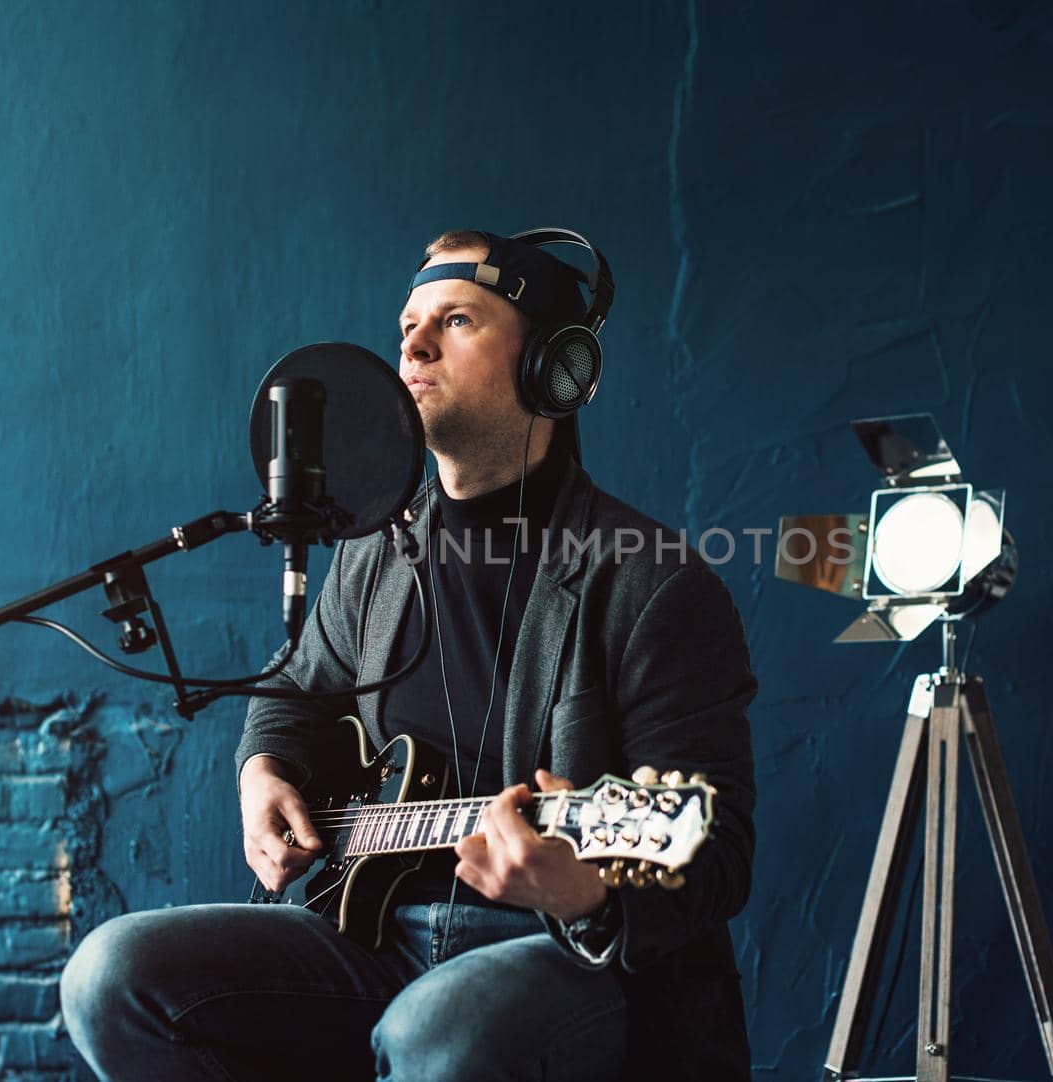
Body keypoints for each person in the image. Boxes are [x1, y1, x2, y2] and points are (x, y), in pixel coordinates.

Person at [59, 228, 758, 1081]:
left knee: (439, 1031)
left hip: (564, 957)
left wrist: (585, 889)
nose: (414, 348)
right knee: (113, 976)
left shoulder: (654, 584)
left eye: (457, 321)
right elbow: (296, 690)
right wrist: (261, 772)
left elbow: (713, 854)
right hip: (371, 936)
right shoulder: (377, 547)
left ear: (554, 371)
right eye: (408, 326)